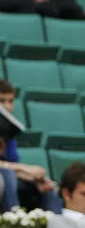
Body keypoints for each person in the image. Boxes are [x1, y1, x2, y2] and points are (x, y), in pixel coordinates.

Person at [0, 80, 61, 213]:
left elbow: (12, 165)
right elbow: (12, 169)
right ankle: (13, 223)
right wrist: (24, 167)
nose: (7, 106)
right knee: (8, 175)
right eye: (2, 101)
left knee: (47, 187)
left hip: (9, 176)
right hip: (4, 178)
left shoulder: (9, 130)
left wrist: (34, 179)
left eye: (10, 101)